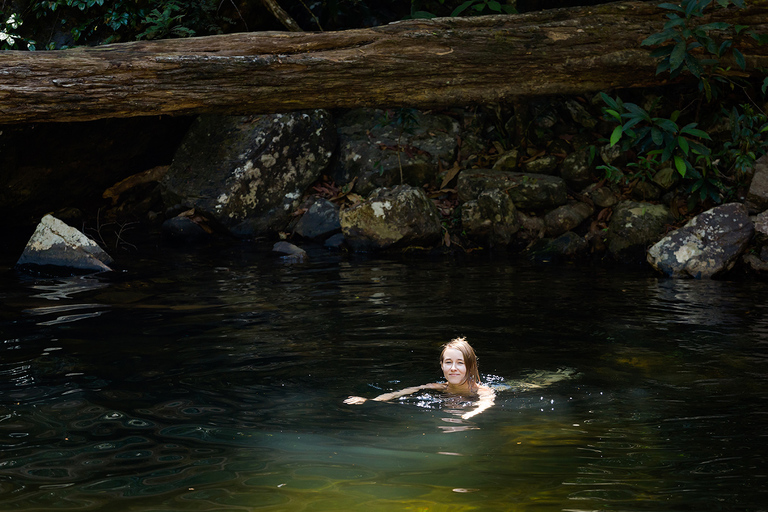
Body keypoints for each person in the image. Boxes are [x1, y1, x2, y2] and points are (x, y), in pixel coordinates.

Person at [344, 337, 496, 420]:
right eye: (448, 362)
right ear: (442, 365)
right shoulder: (438, 387)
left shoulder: (482, 390)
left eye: (460, 363)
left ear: (470, 366)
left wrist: (471, 413)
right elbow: (398, 393)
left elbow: (486, 403)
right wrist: (370, 400)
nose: (453, 368)